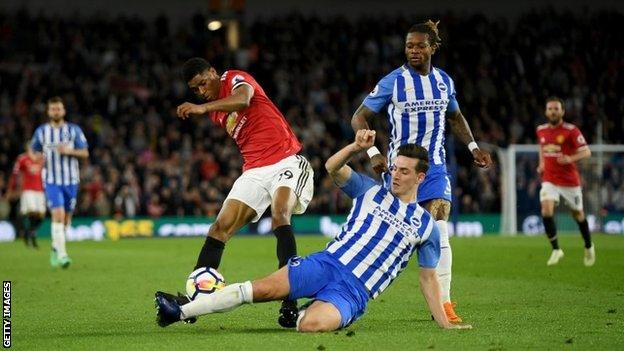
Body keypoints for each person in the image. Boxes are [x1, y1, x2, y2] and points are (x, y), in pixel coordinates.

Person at [155, 130, 472, 331]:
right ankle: (179, 311)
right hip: (325, 264)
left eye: (404, 171)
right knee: (258, 290)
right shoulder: (370, 190)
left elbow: (428, 280)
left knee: (310, 324)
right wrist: (354, 147)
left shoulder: (426, 227)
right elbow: (333, 168)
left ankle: (310, 309)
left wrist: (445, 324)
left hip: (353, 291)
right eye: (395, 168)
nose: (396, 175)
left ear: (420, 177)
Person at [350, 20, 492, 323]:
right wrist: (373, 153)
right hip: (401, 169)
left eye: (419, 45)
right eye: (409, 46)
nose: (413, 50)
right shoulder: (393, 82)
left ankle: (445, 304)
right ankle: (347, 290)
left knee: (439, 227)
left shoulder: (444, 82)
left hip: (435, 167)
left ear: (433, 47)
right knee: (387, 241)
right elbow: (359, 118)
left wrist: (473, 147)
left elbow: (456, 118)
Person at [174, 58, 315, 328]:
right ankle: (195, 301)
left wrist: (201, 108)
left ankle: (289, 300)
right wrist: (207, 108)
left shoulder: (235, 79)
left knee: (280, 214)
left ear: (213, 73)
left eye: (203, 83)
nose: (202, 91)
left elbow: (243, 100)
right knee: (219, 228)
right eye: (195, 90)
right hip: (254, 171)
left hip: (286, 160)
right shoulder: (217, 112)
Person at [31, 96, 89, 268]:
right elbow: (33, 152)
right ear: (48, 112)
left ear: (63, 111)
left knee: (66, 220)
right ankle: (63, 255)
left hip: (71, 181)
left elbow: (85, 153)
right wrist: (37, 159)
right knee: (58, 215)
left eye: (58, 108)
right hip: (51, 181)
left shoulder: (74, 130)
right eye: (53, 109)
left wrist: (69, 151)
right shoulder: (41, 131)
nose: (56, 111)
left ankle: (55, 247)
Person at [536, 97, 594, 266]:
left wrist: (570, 158)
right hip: (550, 179)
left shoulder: (571, 130)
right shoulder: (541, 130)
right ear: (546, 112)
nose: (553, 111)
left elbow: (587, 152)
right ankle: (556, 249)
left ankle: (589, 245)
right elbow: (542, 147)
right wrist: (541, 163)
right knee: (546, 210)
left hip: (570, 182)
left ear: (562, 111)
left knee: (578, 214)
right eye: (550, 109)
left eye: (556, 109)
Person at [6, 142, 46, 248]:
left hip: (40, 191)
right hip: (28, 190)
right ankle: (31, 236)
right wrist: (10, 189)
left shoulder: (42, 158)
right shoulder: (22, 158)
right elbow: (15, 174)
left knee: (41, 215)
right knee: (31, 212)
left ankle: (28, 232)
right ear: (26, 147)